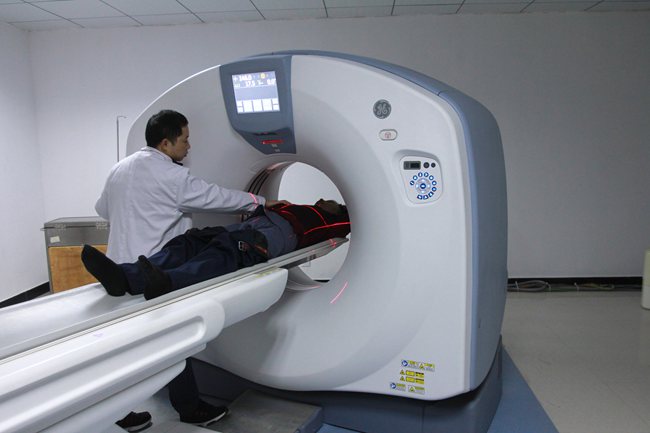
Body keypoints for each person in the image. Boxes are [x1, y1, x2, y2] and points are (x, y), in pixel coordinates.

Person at [94, 109, 287, 430]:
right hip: (155, 270)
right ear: (166, 143)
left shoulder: (120, 168)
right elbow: (214, 197)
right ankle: (190, 408)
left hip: (119, 265)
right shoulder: (172, 176)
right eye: (184, 139)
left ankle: (124, 412)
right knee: (172, 341)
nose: (189, 146)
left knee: (128, 344)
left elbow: (101, 208)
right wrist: (260, 201)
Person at [82, 200, 351, 300]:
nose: (322, 199)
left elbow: (352, 219)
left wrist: (344, 213)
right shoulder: (298, 206)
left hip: (264, 240)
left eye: (329, 201)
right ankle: (125, 276)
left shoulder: (329, 221)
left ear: (337, 211)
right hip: (243, 228)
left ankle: (167, 282)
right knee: (188, 241)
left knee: (224, 254)